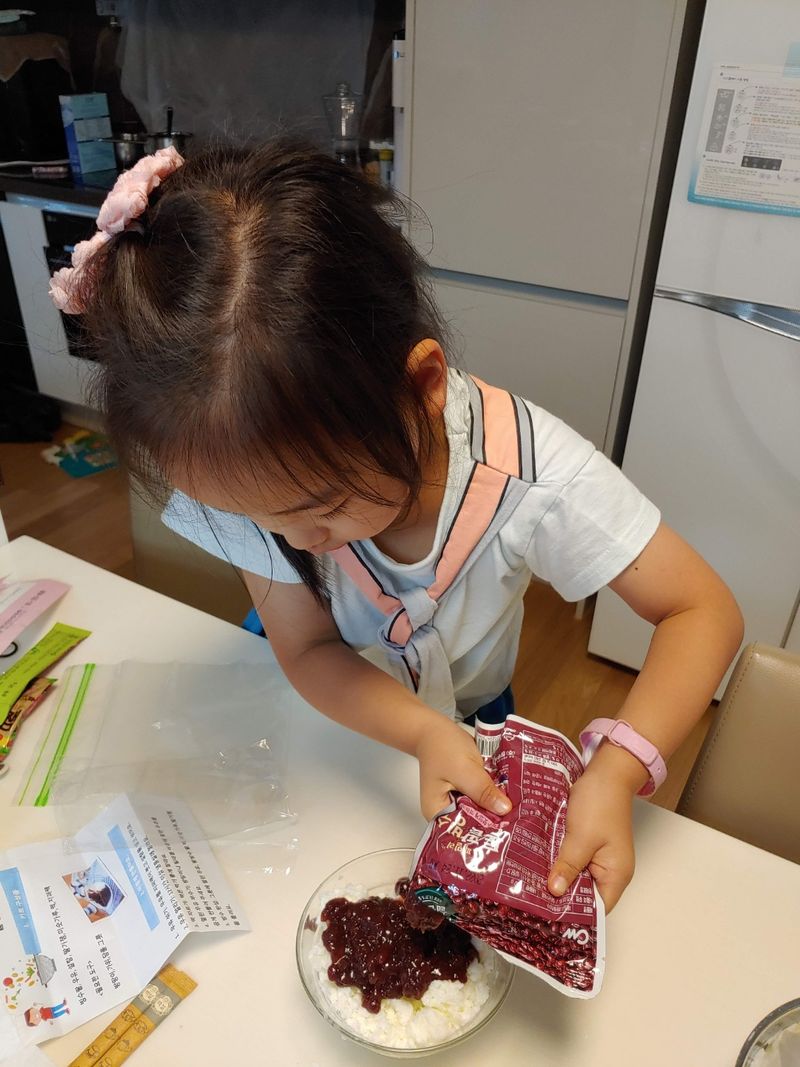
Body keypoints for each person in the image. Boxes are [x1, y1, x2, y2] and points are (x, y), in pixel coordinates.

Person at [50, 141, 743, 913]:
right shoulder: (249, 471)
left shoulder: (534, 475)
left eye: (322, 505)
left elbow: (701, 611)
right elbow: (306, 647)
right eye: (256, 518)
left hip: (472, 711)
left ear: (422, 387)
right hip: (327, 705)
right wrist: (416, 731)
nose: (299, 540)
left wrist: (617, 768)